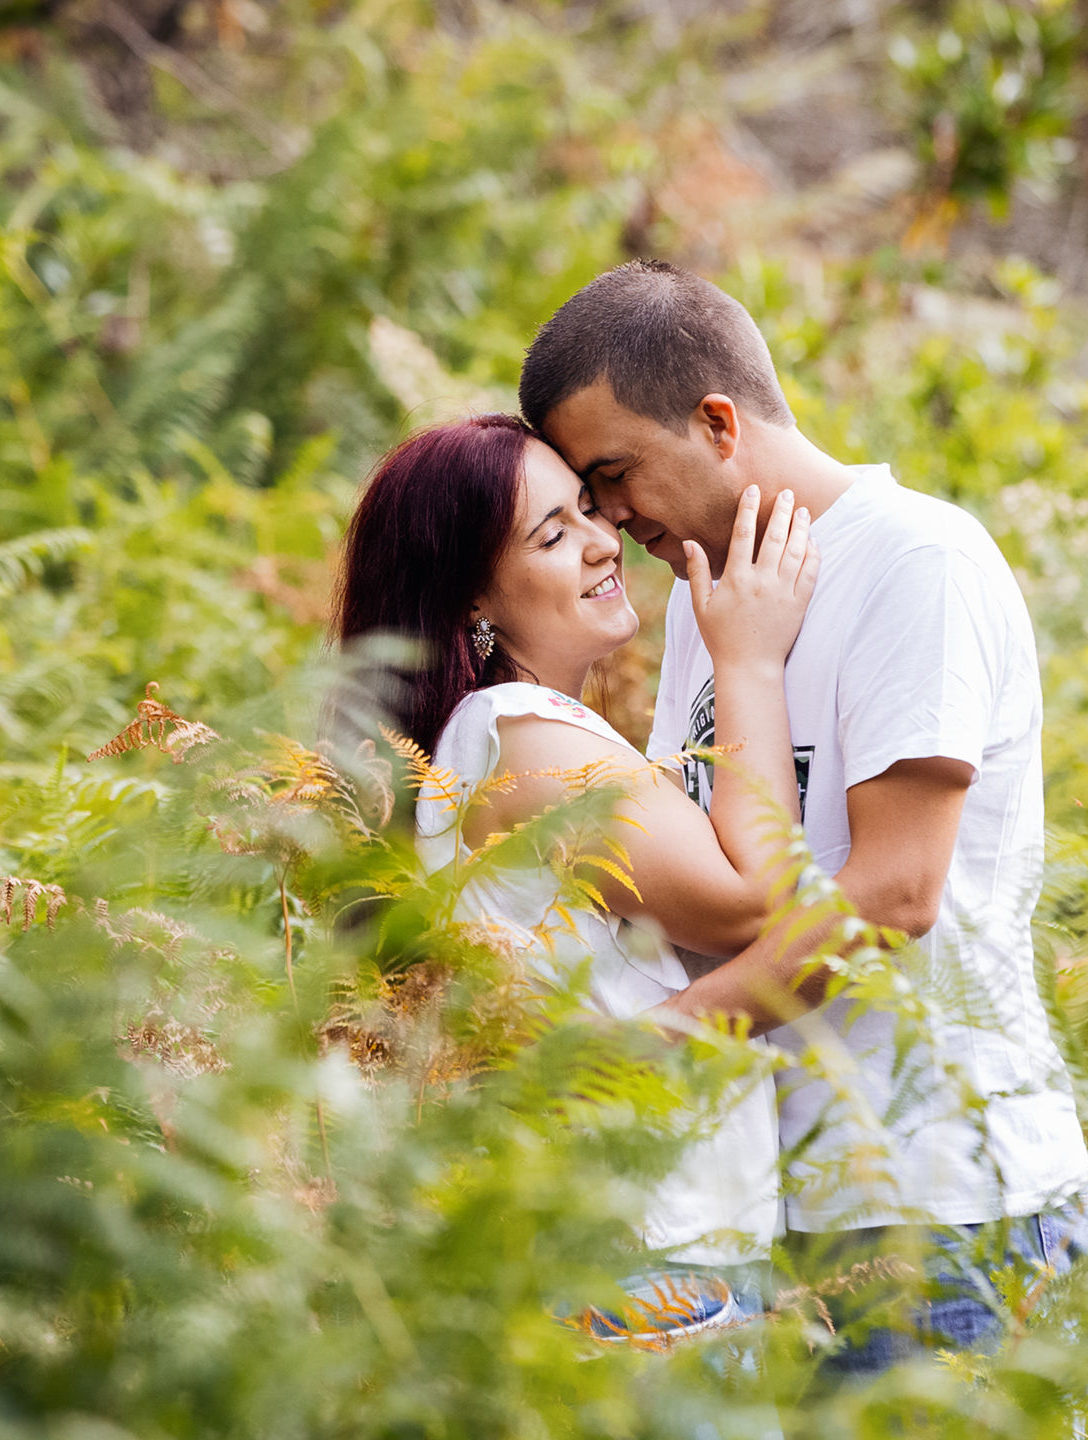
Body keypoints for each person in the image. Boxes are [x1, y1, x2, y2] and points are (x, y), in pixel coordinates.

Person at [519, 260, 1088, 1376]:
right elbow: (719, 877)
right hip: (787, 1209)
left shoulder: (916, 561)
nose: (611, 517)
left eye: (615, 474)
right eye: (587, 498)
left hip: (947, 1206)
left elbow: (895, 894)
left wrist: (667, 1038)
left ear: (719, 421)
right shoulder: (712, 595)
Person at [331, 412, 819, 1337]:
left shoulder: (503, 738)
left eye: (593, 511)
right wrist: (747, 656)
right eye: (554, 534)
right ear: (471, 597)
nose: (605, 543)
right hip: (638, 1271)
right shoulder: (523, 738)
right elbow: (754, 905)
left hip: (633, 1256)